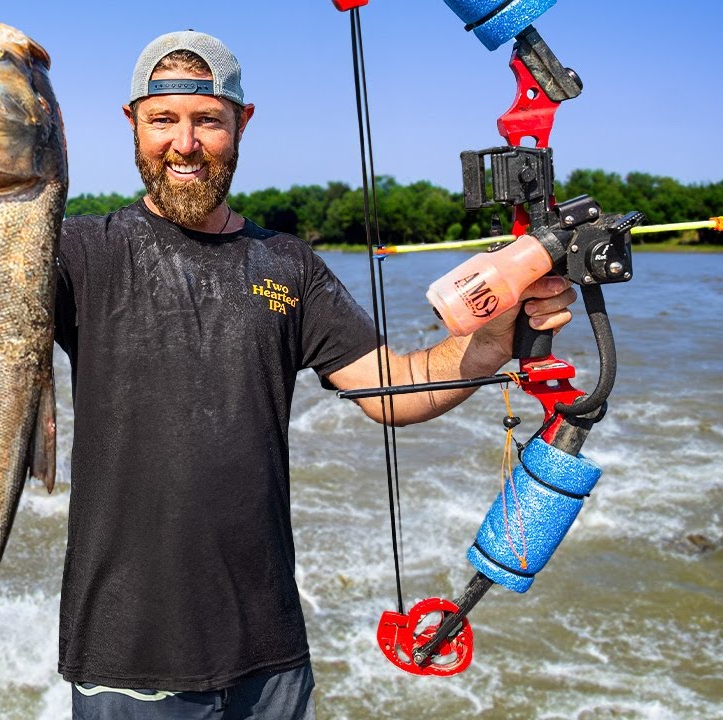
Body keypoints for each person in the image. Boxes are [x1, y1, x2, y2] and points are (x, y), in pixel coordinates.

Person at [53, 30, 576, 720]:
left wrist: (495, 341)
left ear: (241, 123)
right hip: (125, 654)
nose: (185, 143)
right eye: (164, 120)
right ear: (133, 124)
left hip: (270, 653)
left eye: (207, 120)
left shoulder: (287, 264)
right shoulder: (78, 252)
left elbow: (395, 387)